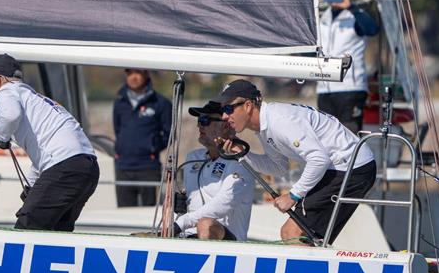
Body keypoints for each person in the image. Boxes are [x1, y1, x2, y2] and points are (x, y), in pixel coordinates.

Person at [216, 79, 376, 244]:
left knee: (292, 232)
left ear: (248, 106)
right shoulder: (265, 126)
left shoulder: (280, 121)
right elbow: (278, 167)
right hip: (341, 167)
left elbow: (319, 159)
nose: (224, 116)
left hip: (351, 167)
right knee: (305, 237)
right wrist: (242, 154)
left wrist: (293, 195)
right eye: (222, 110)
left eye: (228, 109)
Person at [0, 53, 98, 231]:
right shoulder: (33, 98)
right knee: (57, 233)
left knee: (27, 228)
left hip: (65, 167)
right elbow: (44, 156)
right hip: (88, 168)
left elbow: (10, 115)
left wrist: (1, 137)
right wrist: (31, 186)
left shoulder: (6, 91)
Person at [172, 102, 254, 241]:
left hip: (228, 239)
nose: (199, 126)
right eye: (199, 121)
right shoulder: (193, 158)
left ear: (225, 126)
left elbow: (224, 203)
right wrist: (182, 206)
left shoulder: (241, 162)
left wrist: (183, 222)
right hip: (189, 234)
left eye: (205, 121)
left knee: (206, 224)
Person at [317, 0, 379, 134]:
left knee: (349, 135)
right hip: (325, 88)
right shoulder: (324, 17)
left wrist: (349, 7)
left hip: (350, 87)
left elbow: (372, 29)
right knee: (326, 136)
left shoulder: (357, 14)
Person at [113, 68, 172, 207]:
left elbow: (169, 134)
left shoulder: (161, 103)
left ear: (146, 74)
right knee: (123, 213)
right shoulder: (119, 102)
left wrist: (152, 147)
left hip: (148, 167)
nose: (133, 77)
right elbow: (118, 129)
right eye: (129, 73)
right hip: (123, 167)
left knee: (150, 213)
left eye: (137, 73)